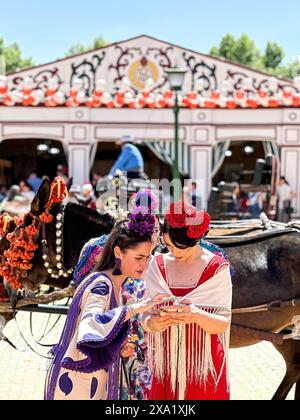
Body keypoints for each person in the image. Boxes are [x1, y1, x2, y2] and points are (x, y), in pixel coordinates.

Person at [44, 208, 168, 400]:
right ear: (118, 252)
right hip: (79, 384)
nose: (144, 265)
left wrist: (117, 347)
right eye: (138, 258)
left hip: (90, 379)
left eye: (148, 257)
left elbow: (99, 337)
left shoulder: (117, 284)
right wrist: (138, 306)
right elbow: (91, 323)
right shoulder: (101, 285)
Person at [141, 202, 232, 400]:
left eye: (178, 248)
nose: (172, 252)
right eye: (167, 245)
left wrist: (196, 315)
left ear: (194, 241)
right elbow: (145, 314)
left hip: (204, 370)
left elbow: (223, 323)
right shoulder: (156, 265)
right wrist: (150, 323)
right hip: (164, 368)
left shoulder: (217, 269)